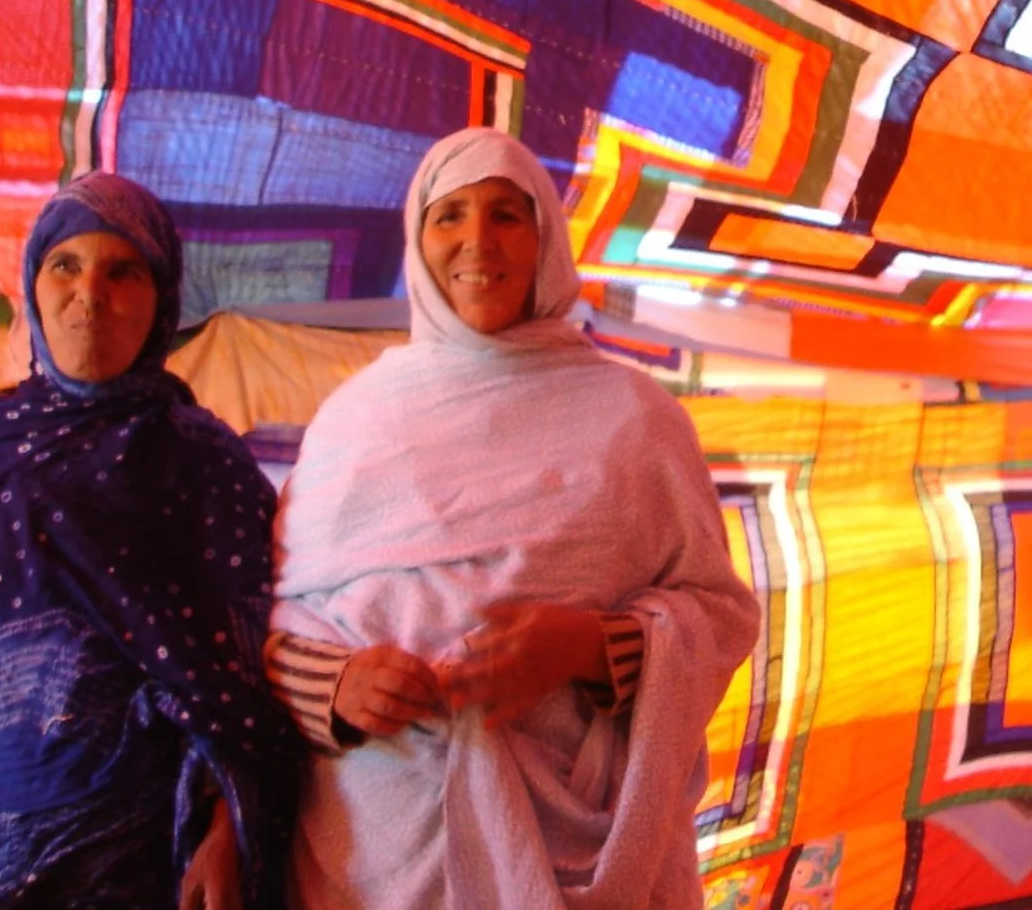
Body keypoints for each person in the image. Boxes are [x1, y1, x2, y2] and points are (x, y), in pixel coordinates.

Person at [263, 126, 759, 908]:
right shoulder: (352, 420)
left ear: (546, 239)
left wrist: (592, 646)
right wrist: (334, 683)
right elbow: (275, 619)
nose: (476, 241)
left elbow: (719, 614)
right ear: (418, 240)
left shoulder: (638, 418)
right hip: (373, 857)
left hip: (584, 844)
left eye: (506, 215)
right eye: (449, 215)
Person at [0, 174, 294, 908]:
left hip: (147, 859)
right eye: (64, 264)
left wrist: (231, 824)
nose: (90, 293)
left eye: (123, 270)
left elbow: (254, 673)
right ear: (32, 284)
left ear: (163, 295)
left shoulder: (207, 461)